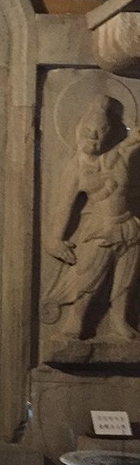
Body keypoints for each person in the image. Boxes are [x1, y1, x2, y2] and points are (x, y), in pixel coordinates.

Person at [43, 96, 140, 340]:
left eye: (101, 133)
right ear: (79, 131)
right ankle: (75, 322)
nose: (95, 138)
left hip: (129, 225)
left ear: (111, 133)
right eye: (89, 132)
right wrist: (54, 239)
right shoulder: (76, 167)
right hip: (100, 228)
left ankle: (120, 319)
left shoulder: (120, 154)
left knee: (125, 281)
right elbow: (64, 205)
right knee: (89, 277)